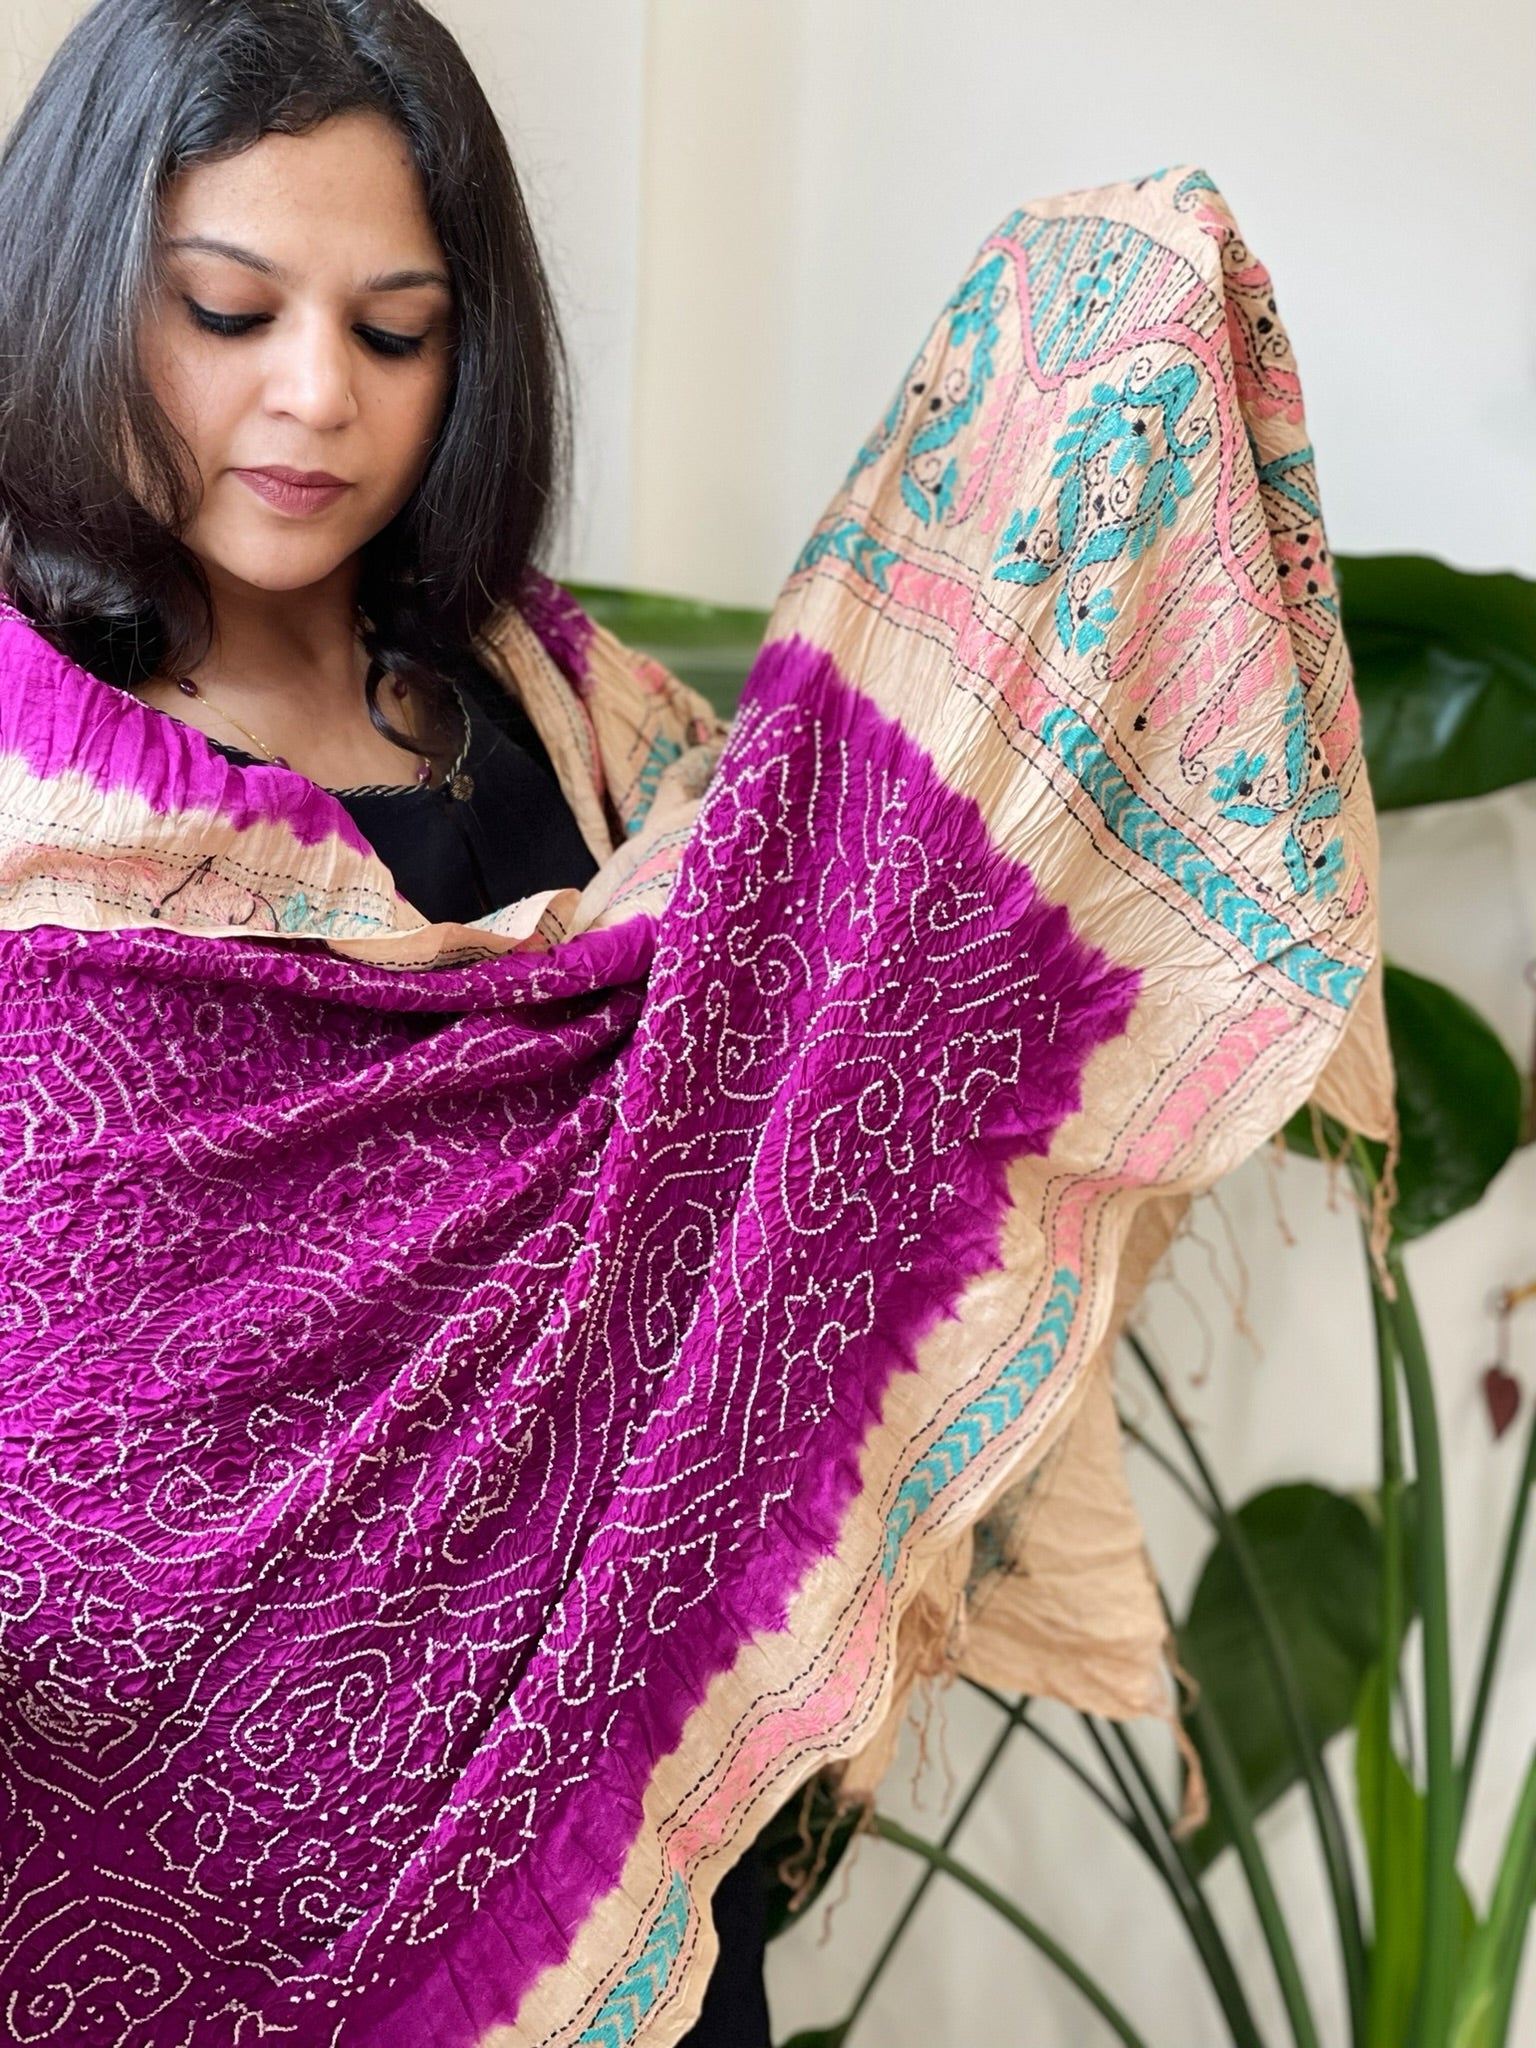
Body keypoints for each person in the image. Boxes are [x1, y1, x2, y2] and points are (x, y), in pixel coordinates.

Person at [0, 0, 766, 2040]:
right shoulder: (28, 794)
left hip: (615, 1815)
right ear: (76, 289)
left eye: (397, 329)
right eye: (226, 312)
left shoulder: (571, 716)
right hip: (165, 1853)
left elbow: (757, 1152)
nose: (313, 396)